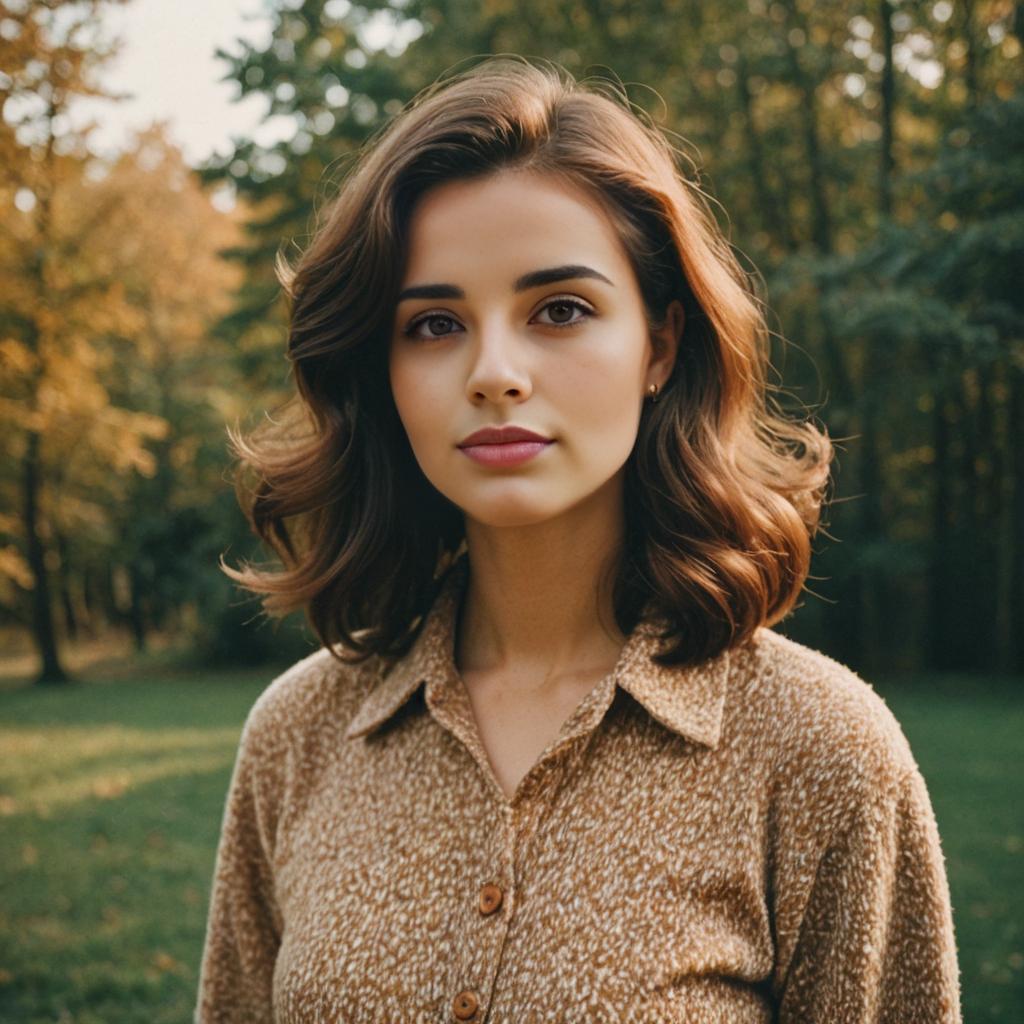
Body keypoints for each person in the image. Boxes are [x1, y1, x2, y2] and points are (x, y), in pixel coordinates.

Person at [195, 56, 962, 1023]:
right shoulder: (295, 737)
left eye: (559, 309)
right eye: (434, 323)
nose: (495, 372)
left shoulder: (821, 749)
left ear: (663, 344)